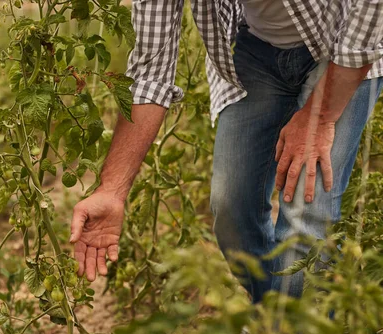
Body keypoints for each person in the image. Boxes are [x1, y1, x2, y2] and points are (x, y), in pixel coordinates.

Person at [69, 0, 383, 304]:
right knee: (232, 207)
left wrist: (320, 116)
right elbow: (151, 75)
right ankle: (275, 328)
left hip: (346, 47)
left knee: (306, 218)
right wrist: (112, 190)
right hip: (260, 51)